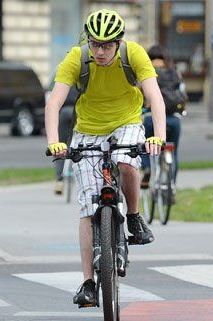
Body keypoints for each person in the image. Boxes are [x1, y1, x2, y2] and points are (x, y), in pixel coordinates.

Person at [45, 9, 166, 307]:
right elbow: (54, 103)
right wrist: (55, 143)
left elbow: (155, 97)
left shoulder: (135, 54)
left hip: (127, 123)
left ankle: (135, 217)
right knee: (88, 207)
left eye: (107, 45)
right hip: (87, 130)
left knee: (126, 163)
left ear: (119, 42)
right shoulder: (76, 58)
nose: (99, 51)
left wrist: (157, 137)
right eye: (95, 44)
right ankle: (88, 282)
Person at [141, 45, 185, 195]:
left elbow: (139, 96)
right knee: (173, 152)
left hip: (150, 120)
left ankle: (146, 168)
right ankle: (171, 186)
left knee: (144, 146)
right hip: (173, 120)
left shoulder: (146, 72)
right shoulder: (176, 74)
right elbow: (182, 94)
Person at [53, 105, 74, 195]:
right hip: (78, 111)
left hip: (64, 112)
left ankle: (59, 180)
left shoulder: (60, 90)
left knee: (61, 145)